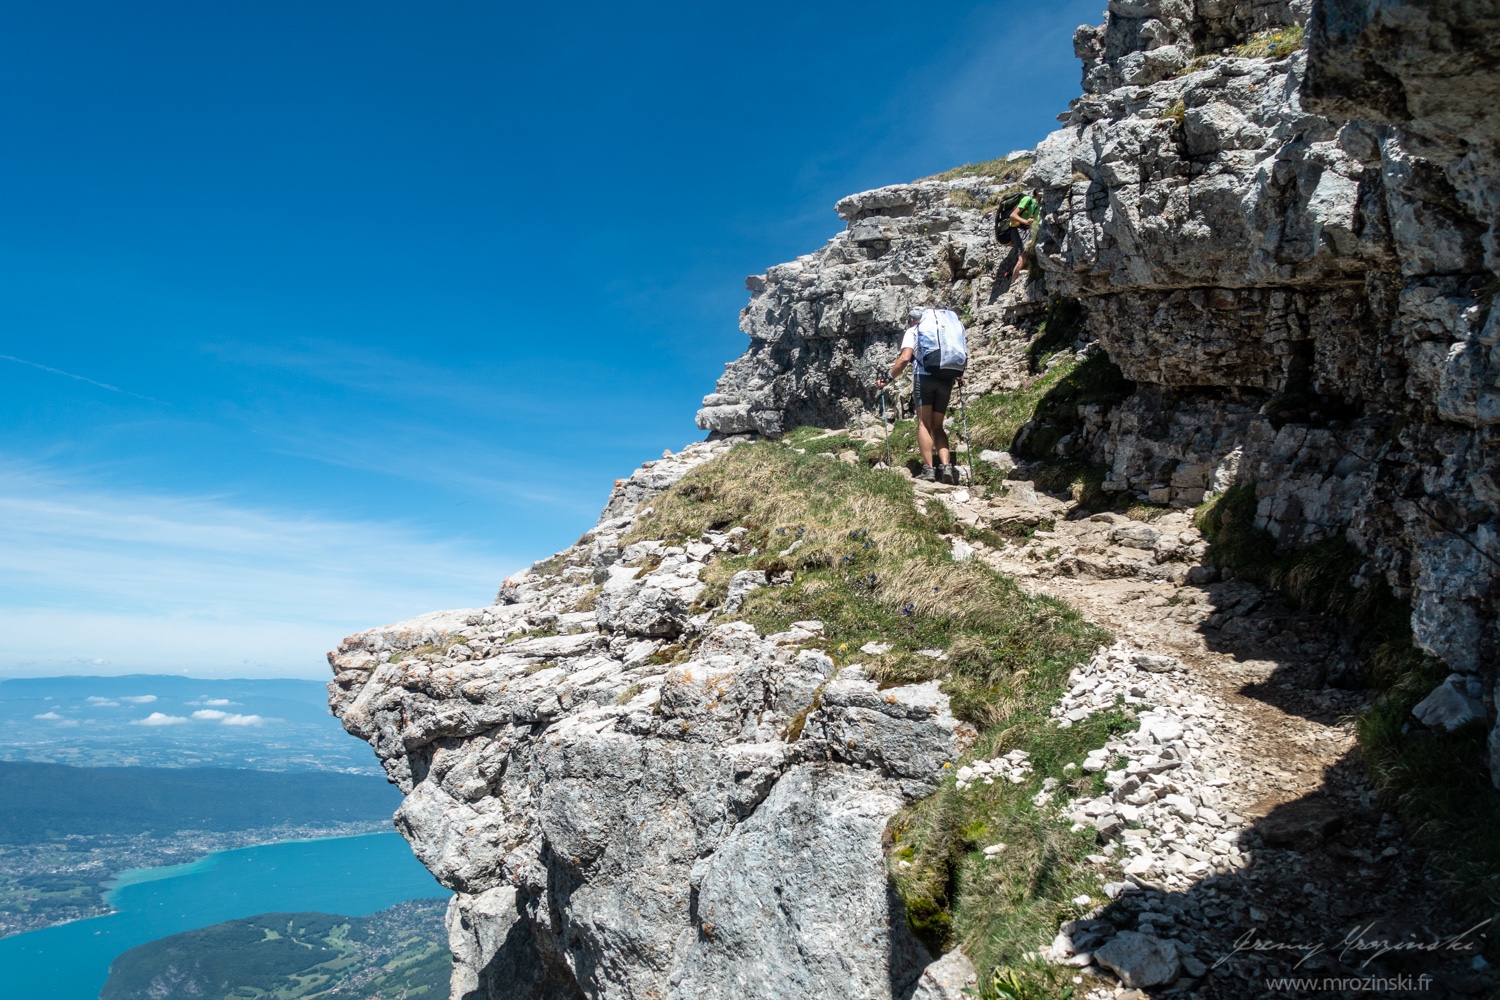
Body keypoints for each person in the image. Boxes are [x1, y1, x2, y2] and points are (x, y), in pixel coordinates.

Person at [878, 307, 965, 484]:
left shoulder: (913, 331)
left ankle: (929, 469)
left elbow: (905, 358)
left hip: (924, 379)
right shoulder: (944, 331)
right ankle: (946, 466)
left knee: (924, 424)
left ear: (912, 319)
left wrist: (888, 378)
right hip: (946, 379)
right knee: (938, 426)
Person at [1000, 187, 1041, 280]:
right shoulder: (1027, 199)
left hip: (1026, 230)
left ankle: (1024, 272)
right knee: (1022, 258)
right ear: (1036, 191)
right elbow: (1012, 215)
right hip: (1017, 229)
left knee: (1029, 253)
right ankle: (1013, 282)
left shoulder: (1039, 204)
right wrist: (1026, 221)